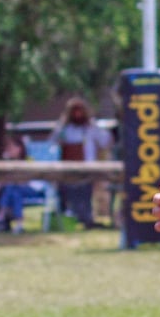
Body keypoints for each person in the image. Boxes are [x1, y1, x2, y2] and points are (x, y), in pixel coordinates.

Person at [50, 96, 112, 228]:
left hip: (86, 168)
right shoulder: (64, 129)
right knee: (67, 195)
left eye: (80, 111)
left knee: (84, 195)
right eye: (74, 111)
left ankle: (87, 220)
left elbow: (105, 141)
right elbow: (52, 143)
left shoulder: (90, 128)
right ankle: (67, 220)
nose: (77, 114)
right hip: (66, 169)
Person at [0, 132, 38, 233]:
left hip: (32, 190)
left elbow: (26, 181)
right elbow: (4, 178)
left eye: (12, 147)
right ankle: (19, 224)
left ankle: (0, 216)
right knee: (15, 193)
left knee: (12, 186)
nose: (9, 150)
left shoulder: (28, 161)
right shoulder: (9, 162)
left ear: (20, 148)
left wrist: (5, 183)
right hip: (17, 191)